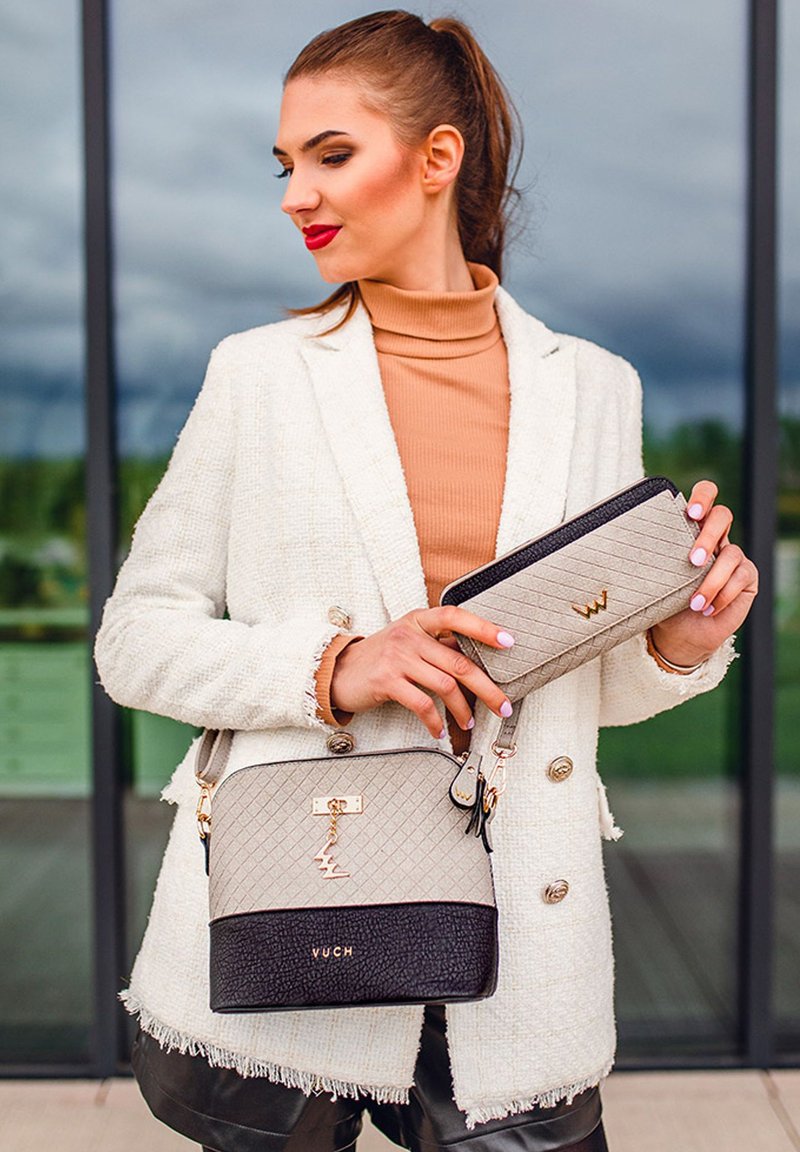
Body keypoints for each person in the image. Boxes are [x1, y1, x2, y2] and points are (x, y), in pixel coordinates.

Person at [93, 10, 758, 1152]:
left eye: (330, 155)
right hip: (300, 901)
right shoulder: (258, 376)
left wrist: (677, 643)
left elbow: (573, 689)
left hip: (518, 936)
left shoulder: (593, 388)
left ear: (437, 156)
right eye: (284, 164)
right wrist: (337, 666)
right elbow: (135, 640)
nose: (296, 194)